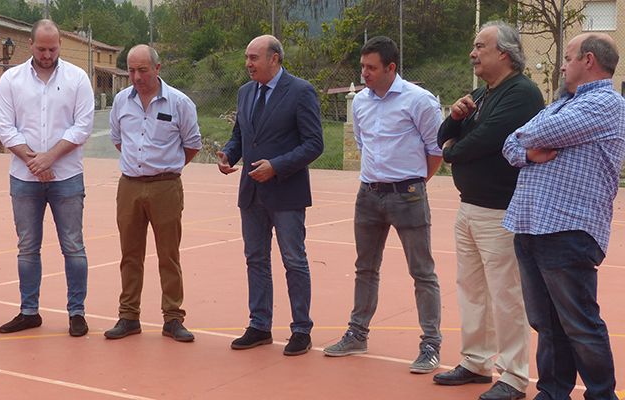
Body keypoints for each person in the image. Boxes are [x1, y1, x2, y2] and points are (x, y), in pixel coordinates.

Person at [502, 33, 623, 400]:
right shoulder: (562, 104)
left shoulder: (607, 103)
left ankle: (600, 395)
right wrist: (527, 151)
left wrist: (525, 139)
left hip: (568, 229)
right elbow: (510, 145)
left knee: (579, 323)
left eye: (568, 58)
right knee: (547, 323)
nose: (561, 65)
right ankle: (553, 392)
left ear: (589, 60)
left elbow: (541, 132)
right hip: (531, 224)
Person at [433, 21, 543, 400]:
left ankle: (513, 376)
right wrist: (454, 119)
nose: (473, 53)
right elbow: (442, 135)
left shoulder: (523, 94)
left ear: (505, 54)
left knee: (506, 295)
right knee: (472, 290)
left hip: (501, 212)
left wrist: (451, 149)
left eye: (480, 46)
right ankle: (476, 361)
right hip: (469, 208)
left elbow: (483, 142)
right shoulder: (481, 94)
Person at [323, 36, 443, 374]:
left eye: (371, 68)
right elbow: (363, 144)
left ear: (391, 67)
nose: (364, 73)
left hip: (408, 195)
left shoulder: (419, 101)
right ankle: (357, 334)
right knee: (365, 267)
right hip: (368, 195)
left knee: (422, 272)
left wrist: (413, 183)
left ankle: (430, 344)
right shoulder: (360, 102)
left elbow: (436, 150)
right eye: (362, 67)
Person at [217, 35, 324, 356]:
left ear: (274, 59)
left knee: (294, 260)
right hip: (251, 192)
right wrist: (229, 154)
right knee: (255, 259)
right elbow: (240, 135)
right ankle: (260, 325)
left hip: (286, 192)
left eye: (254, 58)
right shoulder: (245, 92)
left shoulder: (301, 91)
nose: (248, 64)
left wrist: (276, 167)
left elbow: (314, 144)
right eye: (247, 58)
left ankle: (301, 329)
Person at [0, 19, 94, 337]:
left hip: (67, 176)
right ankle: (29, 311)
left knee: (73, 246)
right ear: (30, 45)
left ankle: (77, 312)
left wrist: (50, 157)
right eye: (41, 49)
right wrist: (34, 161)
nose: (47, 55)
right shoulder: (11, 80)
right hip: (24, 178)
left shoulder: (77, 78)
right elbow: (6, 128)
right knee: (27, 247)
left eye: (52, 49)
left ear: (60, 45)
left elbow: (82, 126)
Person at [104, 45, 202, 342]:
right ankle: (128, 316)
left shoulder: (179, 102)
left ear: (158, 69)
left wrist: (164, 167)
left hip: (165, 186)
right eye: (131, 70)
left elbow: (192, 144)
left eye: (143, 70)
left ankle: (173, 318)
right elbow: (118, 139)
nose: (136, 77)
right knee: (130, 255)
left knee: (168, 255)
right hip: (129, 186)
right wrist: (139, 164)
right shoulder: (121, 101)